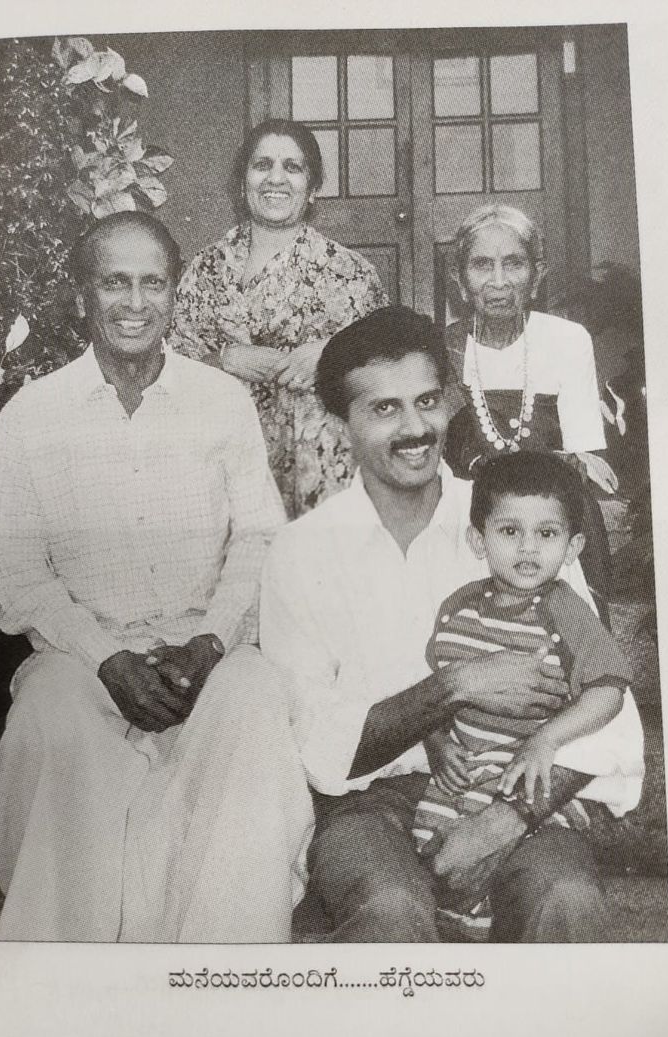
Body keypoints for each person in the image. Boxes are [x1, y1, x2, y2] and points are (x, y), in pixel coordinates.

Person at [260, 305, 644, 944]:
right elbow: (319, 748)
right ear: (341, 422)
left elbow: (615, 716)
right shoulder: (301, 552)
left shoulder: (517, 523)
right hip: (370, 803)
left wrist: (506, 818)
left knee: (565, 898)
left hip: (521, 787)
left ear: (456, 400)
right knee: (389, 909)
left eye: (427, 402)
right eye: (384, 410)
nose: (414, 429)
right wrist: (453, 688)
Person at [0, 211, 312, 943]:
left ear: (173, 296)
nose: (135, 302)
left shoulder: (220, 401)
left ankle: (220, 977)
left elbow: (260, 535)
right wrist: (106, 658)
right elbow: (16, 576)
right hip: (81, 658)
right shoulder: (31, 416)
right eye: (114, 282)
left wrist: (209, 641)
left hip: (203, 649)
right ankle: (70, 987)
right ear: (81, 297)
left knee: (258, 695)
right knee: (49, 714)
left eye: (152, 283)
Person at [412, 450, 633, 940]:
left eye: (547, 534)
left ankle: (490, 942)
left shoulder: (564, 610)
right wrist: (436, 741)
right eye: (510, 532)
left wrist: (547, 740)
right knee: (433, 850)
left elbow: (610, 690)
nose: (528, 549)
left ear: (573, 546)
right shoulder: (458, 608)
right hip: (462, 773)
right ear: (478, 539)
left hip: (530, 780)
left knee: (510, 860)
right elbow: (436, 691)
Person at [169, 119, 388, 517]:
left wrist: (333, 352)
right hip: (221, 471)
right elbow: (170, 371)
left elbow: (389, 379)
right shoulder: (205, 269)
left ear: (314, 188)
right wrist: (225, 359)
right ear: (242, 182)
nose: (275, 178)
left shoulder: (351, 274)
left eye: (293, 167)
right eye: (262, 164)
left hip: (320, 481)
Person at [443, 203, 616, 614]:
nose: (499, 281)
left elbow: (585, 462)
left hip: (552, 519)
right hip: (470, 525)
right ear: (460, 280)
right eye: (482, 265)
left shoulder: (568, 341)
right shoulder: (443, 349)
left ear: (536, 275)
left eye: (514, 264)